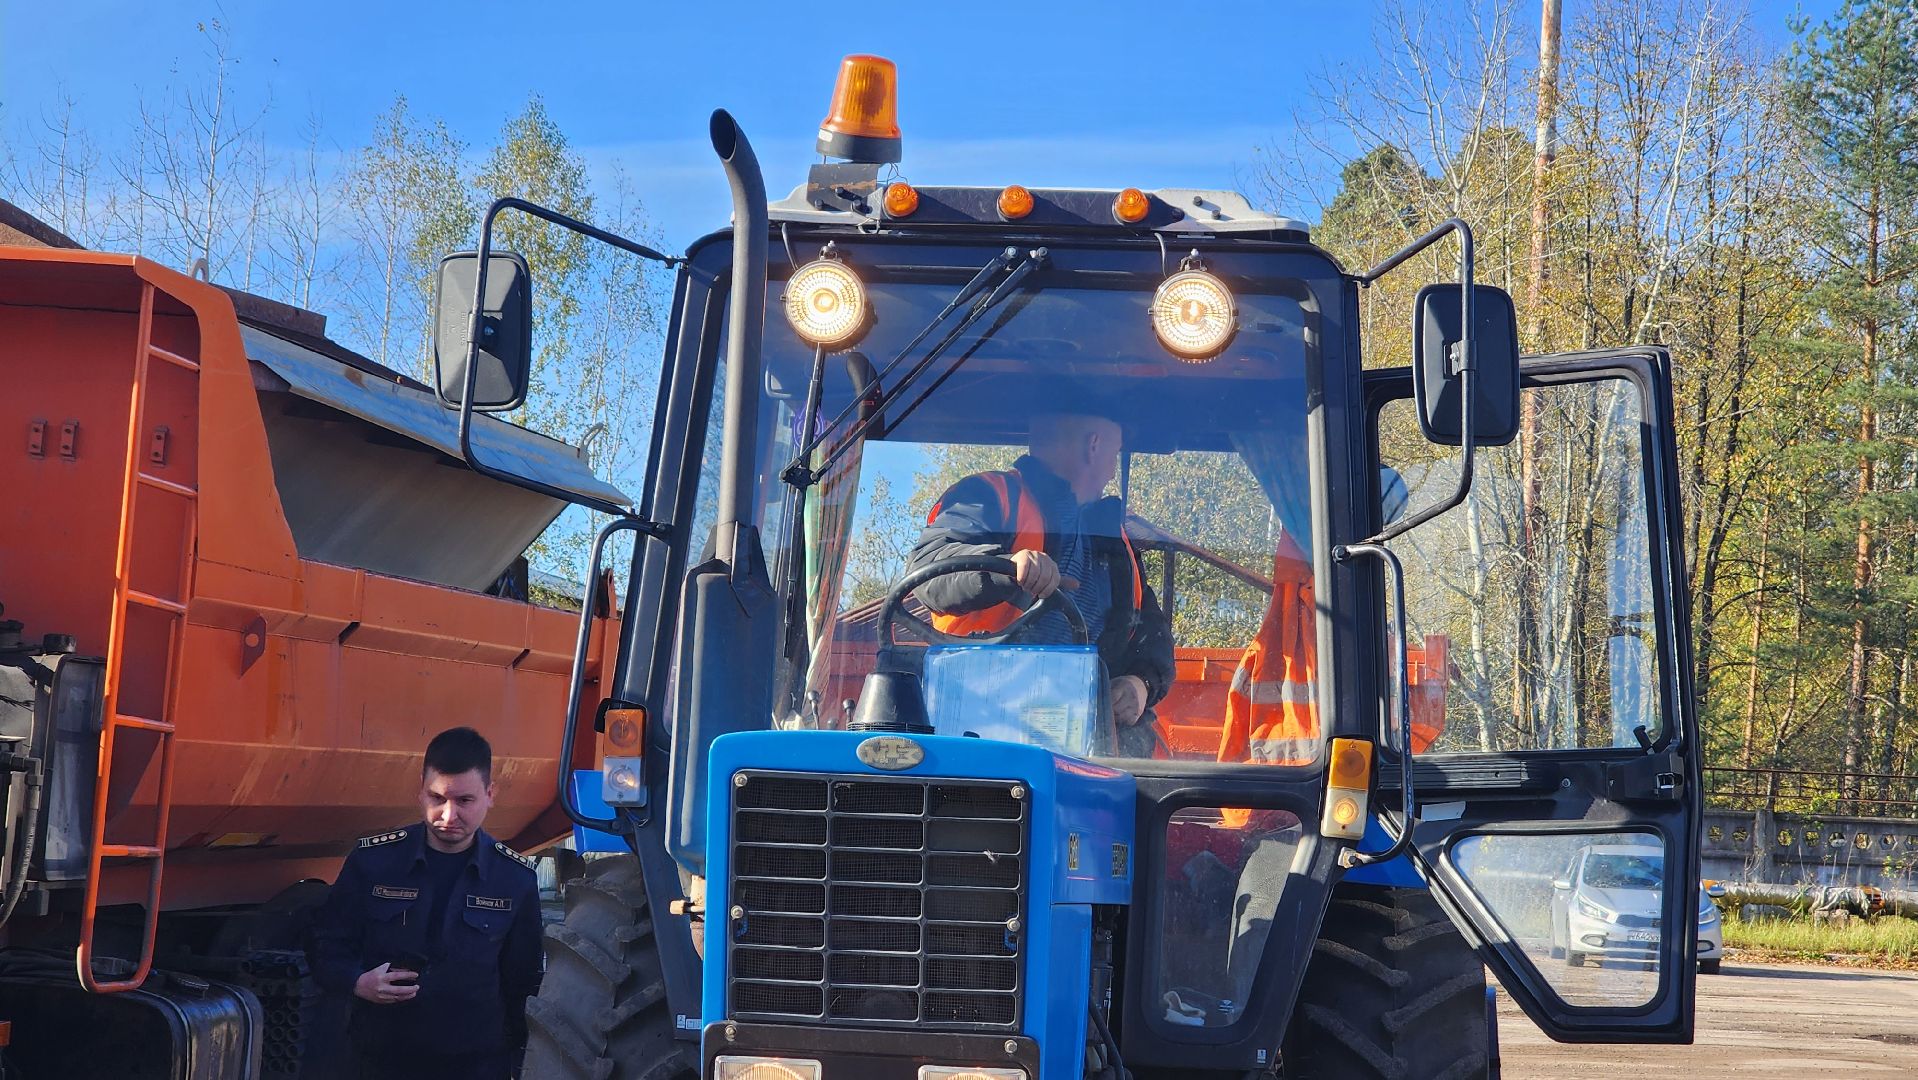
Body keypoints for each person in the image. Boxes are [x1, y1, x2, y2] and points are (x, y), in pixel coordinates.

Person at [907, 410, 1175, 740]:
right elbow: (928, 572)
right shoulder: (991, 496)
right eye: (1117, 450)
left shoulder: (1114, 541)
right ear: (1095, 445)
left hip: (1086, 734)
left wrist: (1140, 683)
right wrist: (1007, 567)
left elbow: (1153, 634)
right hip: (977, 724)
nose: (1113, 466)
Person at [309, 727, 542, 1080]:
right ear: (420, 792)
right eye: (437, 798)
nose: (449, 816)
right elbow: (325, 946)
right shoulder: (373, 863)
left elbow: (523, 985)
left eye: (464, 801)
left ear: (490, 794)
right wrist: (357, 982)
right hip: (379, 1061)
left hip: (475, 1065)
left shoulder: (514, 879)